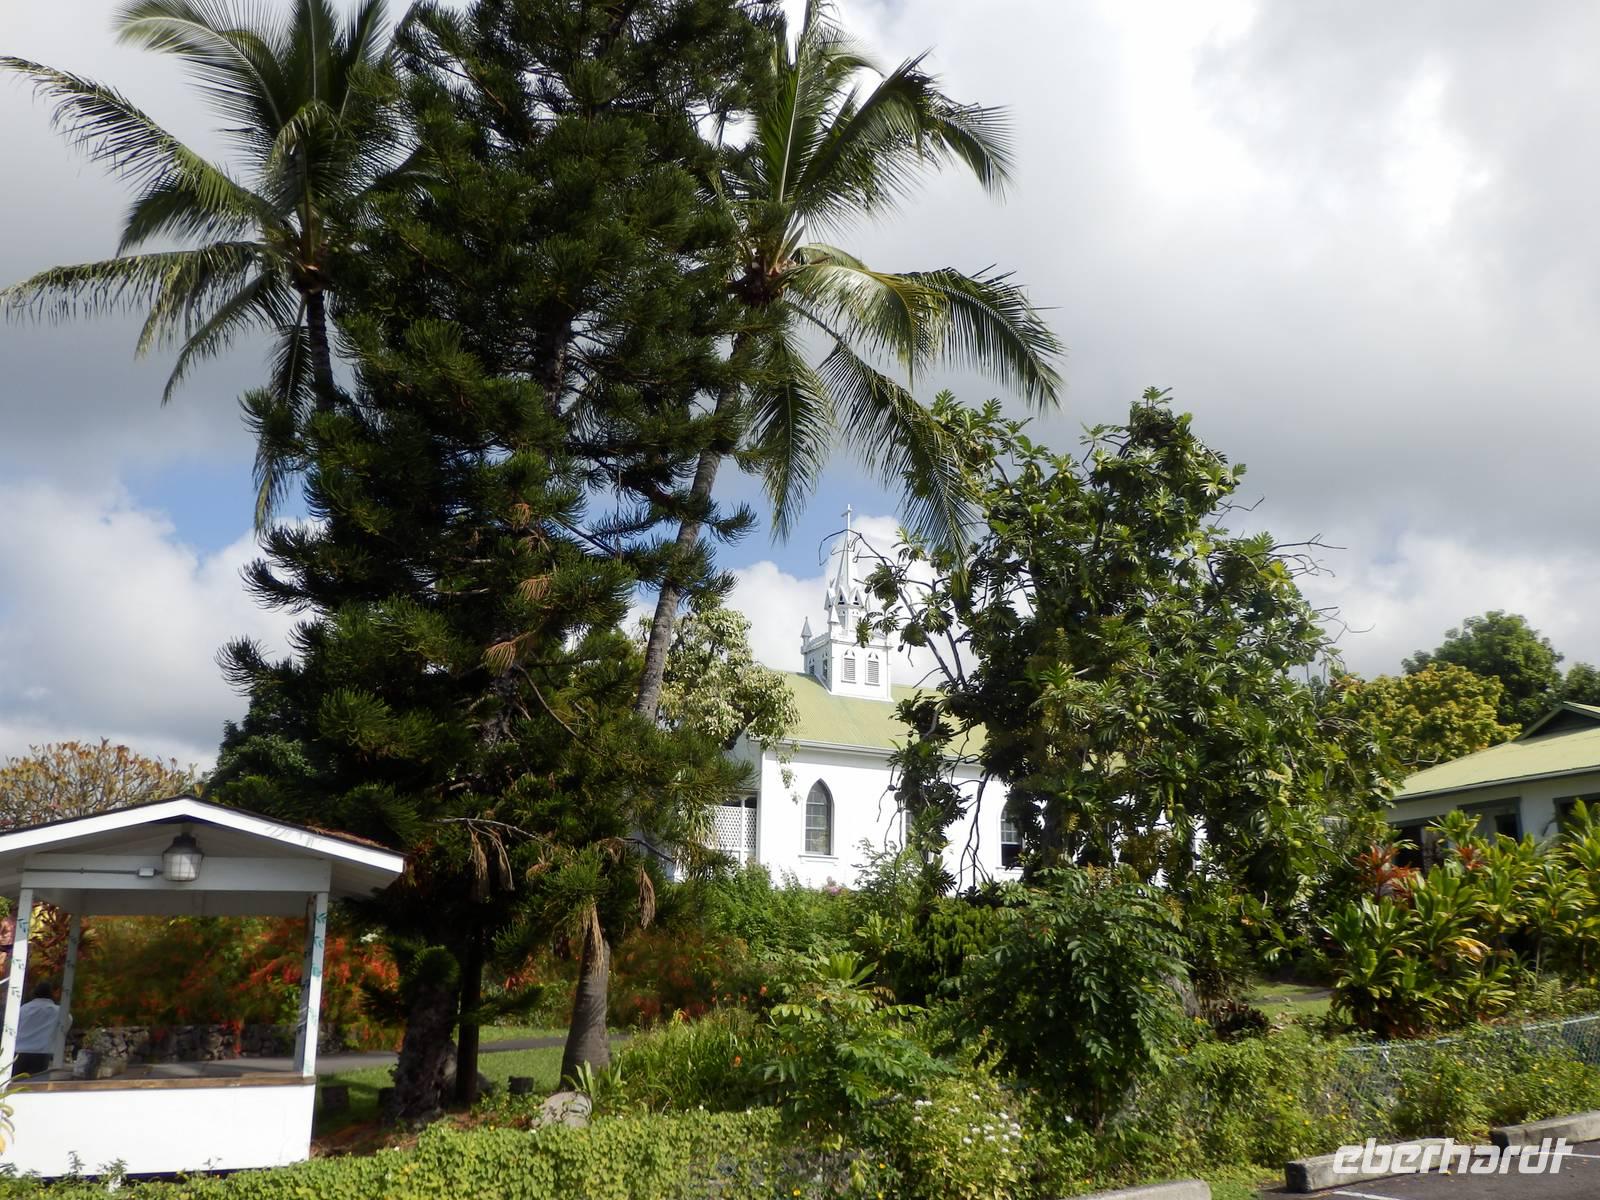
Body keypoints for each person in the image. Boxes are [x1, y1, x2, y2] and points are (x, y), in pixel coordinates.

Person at [15, 980, 67, 1076]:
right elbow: (66, 1024)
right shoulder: (58, 1011)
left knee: (14, 1082)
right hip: (41, 1053)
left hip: (19, 1051)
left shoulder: (23, 1009)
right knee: (36, 1083)